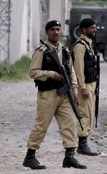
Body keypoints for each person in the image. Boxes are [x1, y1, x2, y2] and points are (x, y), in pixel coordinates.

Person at [23, 20, 86, 170]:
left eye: (58, 29)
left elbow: (71, 73)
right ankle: (30, 156)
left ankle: (69, 156)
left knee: (69, 123)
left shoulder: (65, 51)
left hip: (64, 94)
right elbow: (33, 72)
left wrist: (75, 91)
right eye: (52, 30)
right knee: (42, 125)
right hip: (48, 94)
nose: (56, 32)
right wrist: (50, 74)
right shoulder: (41, 52)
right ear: (47, 32)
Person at [72, 18, 99, 156]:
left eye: (95, 28)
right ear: (84, 30)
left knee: (90, 113)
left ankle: (84, 143)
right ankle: (82, 145)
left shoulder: (88, 44)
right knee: (85, 113)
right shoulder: (80, 45)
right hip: (85, 85)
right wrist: (82, 88)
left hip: (91, 84)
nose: (94, 30)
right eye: (92, 28)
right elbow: (78, 69)